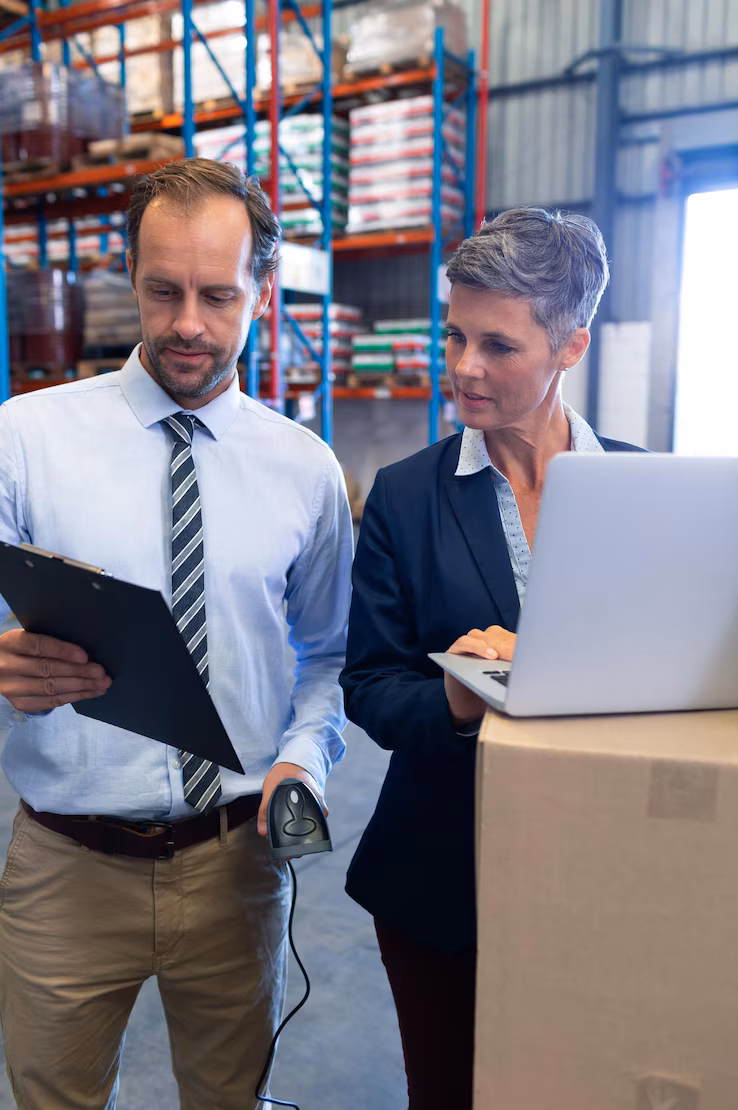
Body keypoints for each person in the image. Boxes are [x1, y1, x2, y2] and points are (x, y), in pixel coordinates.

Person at [0, 158, 353, 1110]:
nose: (188, 323)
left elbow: (328, 658)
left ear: (263, 294)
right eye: (163, 291)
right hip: (66, 870)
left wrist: (305, 762)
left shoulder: (306, 470)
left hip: (237, 866)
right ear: (131, 279)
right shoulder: (24, 441)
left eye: (217, 294)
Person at [340, 207, 645, 1109]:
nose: (465, 366)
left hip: (602, 866)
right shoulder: (404, 497)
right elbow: (371, 688)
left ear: (570, 347)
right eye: (455, 335)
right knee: (450, 1090)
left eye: (499, 346)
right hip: (440, 875)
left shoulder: (641, 492)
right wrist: (463, 696)